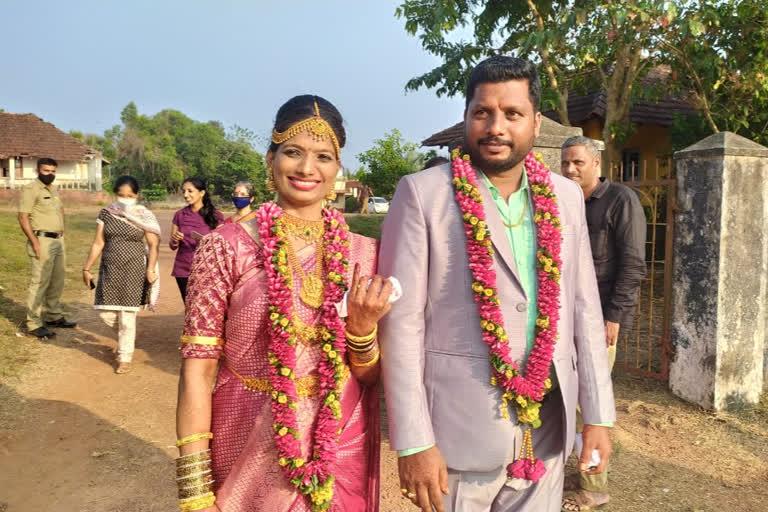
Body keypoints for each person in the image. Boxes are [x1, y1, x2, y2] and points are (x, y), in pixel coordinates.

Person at [379, 56, 615, 512]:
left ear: (535, 120)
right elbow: (401, 323)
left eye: (512, 113)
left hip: (546, 426)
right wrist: (412, 441)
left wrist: (599, 416)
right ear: (466, 115)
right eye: (482, 112)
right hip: (458, 434)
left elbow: (584, 309)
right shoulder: (423, 194)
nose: (496, 127)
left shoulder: (565, 197)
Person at [174, 95, 391, 512]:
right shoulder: (225, 247)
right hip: (247, 440)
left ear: (337, 169)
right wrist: (195, 492)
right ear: (270, 159)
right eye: (293, 152)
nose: (307, 169)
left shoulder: (365, 254)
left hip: (340, 445)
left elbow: (369, 378)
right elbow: (197, 373)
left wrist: (362, 331)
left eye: (323, 156)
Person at [560, 135, 646, 511]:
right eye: (565, 163)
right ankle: (565, 465)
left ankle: (593, 487)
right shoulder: (562, 200)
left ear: (597, 164)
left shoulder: (620, 200)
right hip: (560, 315)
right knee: (560, 394)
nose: (569, 169)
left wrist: (614, 316)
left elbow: (633, 265)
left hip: (598, 317)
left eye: (578, 163)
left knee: (590, 400)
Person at [81, 175, 161, 374]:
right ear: (115, 194)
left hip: (134, 268)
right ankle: (126, 337)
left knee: (127, 316)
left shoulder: (144, 215)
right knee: (106, 312)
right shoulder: (107, 213)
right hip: (110, 267)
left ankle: (125, 356)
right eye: (121, 195)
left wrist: (150, 269)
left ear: (137, 195)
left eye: (130, 195)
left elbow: (153, 244)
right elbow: (99, 242)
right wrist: (86, 268)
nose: (125, 199)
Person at [18, 157, 77, 339]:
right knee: (40, 282)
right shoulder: (30, 189)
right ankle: (33, 323)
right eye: (46, 171)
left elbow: (60, 210)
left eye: (53, 171)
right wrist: (34, 242)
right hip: (42, 239)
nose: (50, 175)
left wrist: (63, 231)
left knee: (57, 279)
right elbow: (22, 217)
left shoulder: (54, 189)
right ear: (38, 171)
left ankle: (53, 316)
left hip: (57, 240)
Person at [169, 177, 224, 303]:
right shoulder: (179, 215)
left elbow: (221, 245)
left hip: (207, 269)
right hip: (183, 269)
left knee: (206, 308)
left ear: (202, 192)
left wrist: (206, 242)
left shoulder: (216, 216)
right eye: (184, 191)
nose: (185, 195)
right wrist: (175, 240)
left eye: (190, 191)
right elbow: (172, 246)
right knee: (189, 307)